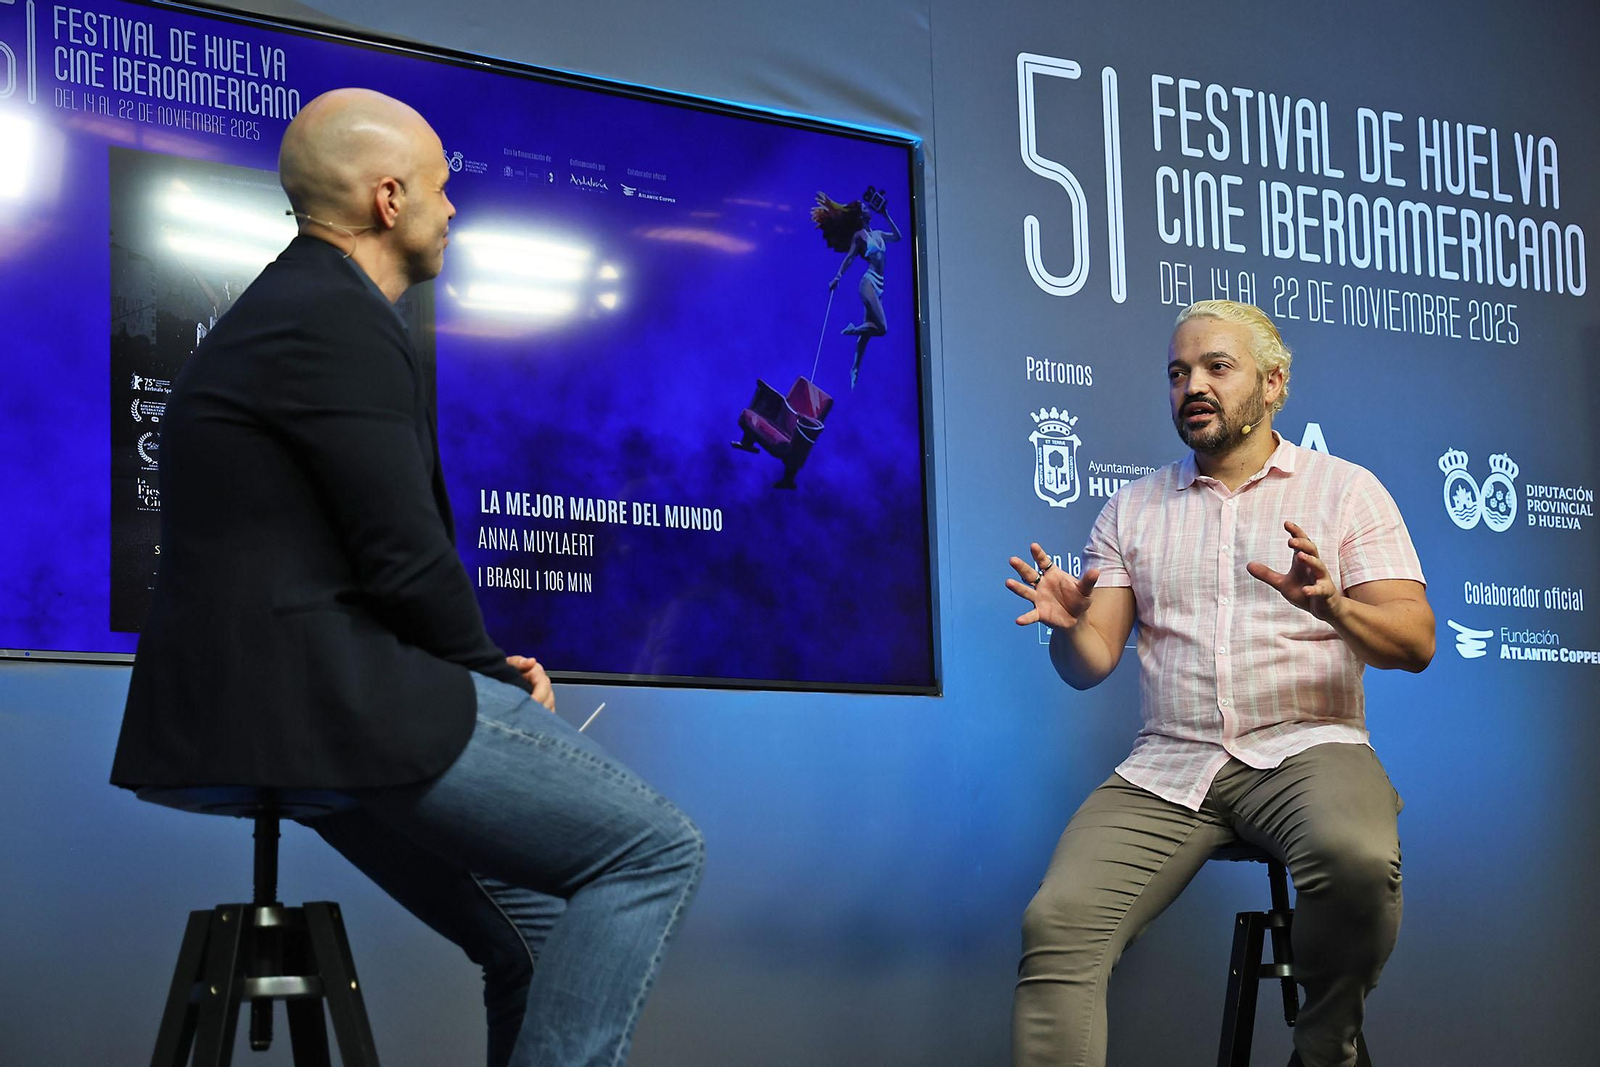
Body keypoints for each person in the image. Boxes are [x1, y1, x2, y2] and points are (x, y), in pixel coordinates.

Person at [111, 88, 704, 1067]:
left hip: (289, 713)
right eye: (441, 185)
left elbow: (351, 545)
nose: (453, 207)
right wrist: (492, 673)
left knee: (535, 936)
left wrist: (471, 667)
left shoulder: (295, 308)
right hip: (325, 706)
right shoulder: (331, 317)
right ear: (390, 199)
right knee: (654, 850)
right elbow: (402, 552)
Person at [1005, 300, 1434, 1067]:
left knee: (1358, 859)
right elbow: (1091, 662)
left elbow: (1417, 641)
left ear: (1274, 384)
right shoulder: (1132, 509)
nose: (1192, 386)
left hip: (1307, 746)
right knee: (1058, 921)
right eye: (1177, 374)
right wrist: (1068, 630)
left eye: (1215, 368)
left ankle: (1325, 1043)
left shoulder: (1346, 491)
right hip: (1172, 762)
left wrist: (1334, 605)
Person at [813, 188, 901, 388]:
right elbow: (850, 258)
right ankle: (851, 330)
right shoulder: (860, 236)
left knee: (868, 333)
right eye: (865, 208)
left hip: (881, 284)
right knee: (882, 328)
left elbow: (898, 237)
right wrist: (837, 277)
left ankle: (855, 368)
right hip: (868, 282)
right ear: (862, 215)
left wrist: (885, 214)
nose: (870, 208)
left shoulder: (877, 233)